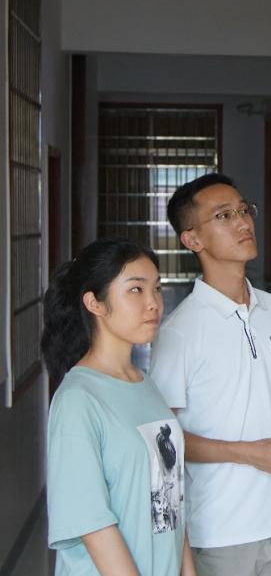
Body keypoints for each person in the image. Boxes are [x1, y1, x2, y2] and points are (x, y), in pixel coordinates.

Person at [148, 173, 271, 576]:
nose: (243, 222)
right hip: (218, 530)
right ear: (192, 240)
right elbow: (163, 442)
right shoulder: (180, 332)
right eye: (224, 215)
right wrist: (247, 453)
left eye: (244, 210)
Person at [42, 238, 196, 576]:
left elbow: (171, 500)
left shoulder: (146, 385)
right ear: (94, 303)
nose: (154, 303)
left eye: (156, 289)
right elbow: (94, 526)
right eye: (136, 290)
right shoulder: (77, 400)